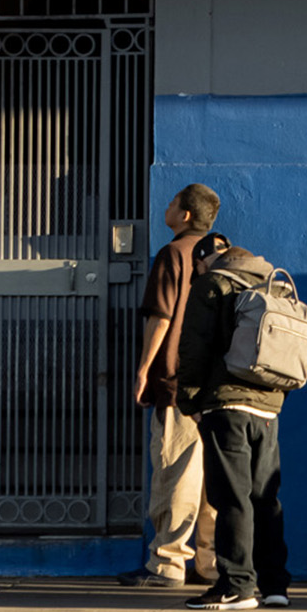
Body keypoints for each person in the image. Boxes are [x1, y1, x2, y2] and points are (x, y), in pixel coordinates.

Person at [176, 237, 293, 612]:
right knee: (265, 498)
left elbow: (194, 347)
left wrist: (189, 401)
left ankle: (237, 586)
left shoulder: (212, 283)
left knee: (231, 498)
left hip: (226, 405)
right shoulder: (274, 281)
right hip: (268, 406)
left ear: (204, 261)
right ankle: (274, 585)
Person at [120, 181, 218, 590]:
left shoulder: (172, 254)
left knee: (175, 471)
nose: (166, 208)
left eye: (172, 204)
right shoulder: (217, 257)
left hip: (178, 383)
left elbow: (160, 317)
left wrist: (144, 369)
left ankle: (168, 562)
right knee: (213, 479)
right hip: (216, 385)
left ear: (186, 215)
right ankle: (209, 563)